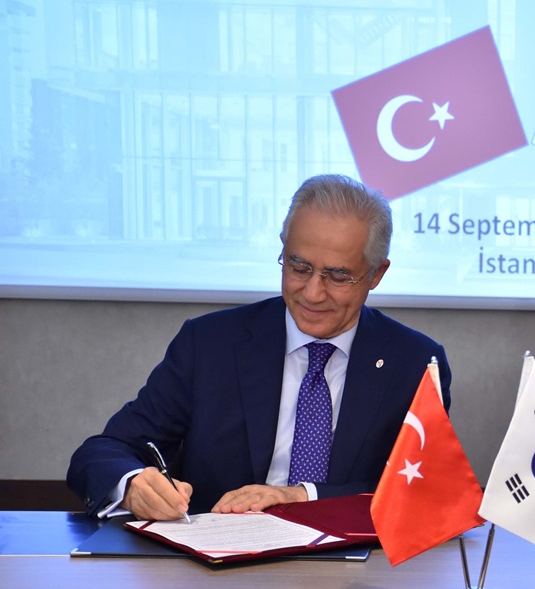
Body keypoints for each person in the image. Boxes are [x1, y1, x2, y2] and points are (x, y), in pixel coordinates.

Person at [67, 174, 450, 521]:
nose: (312, 293)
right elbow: (102, 452)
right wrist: (132, 485)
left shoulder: (416, 364)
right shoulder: (209, 345)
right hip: (218, 561)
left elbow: (422, 492)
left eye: (337, 276)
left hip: (354, 562)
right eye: (298, 267)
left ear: (376, 274)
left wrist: (302, 496)